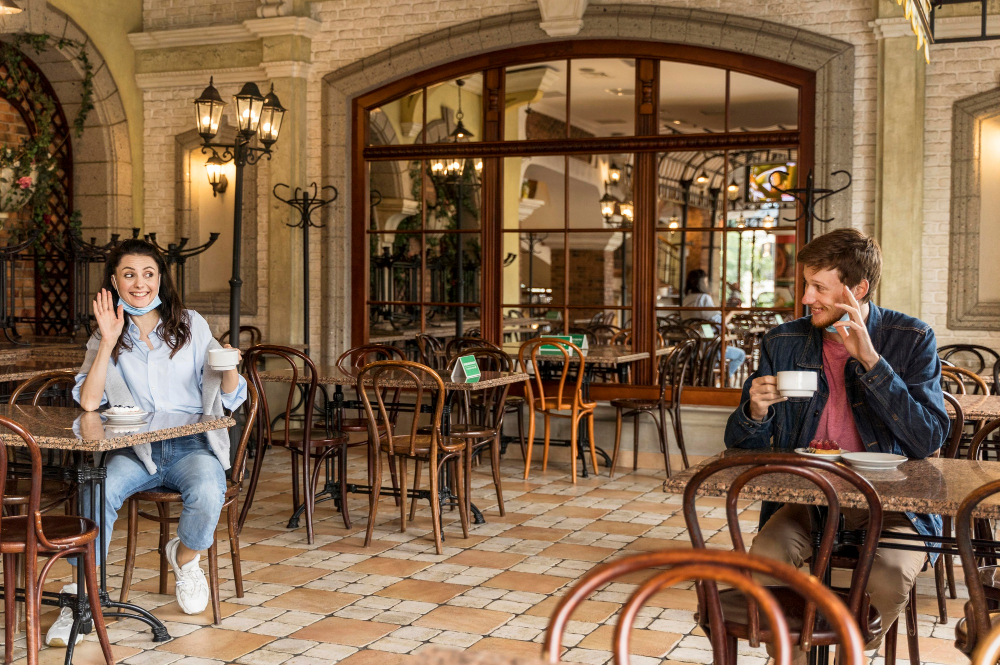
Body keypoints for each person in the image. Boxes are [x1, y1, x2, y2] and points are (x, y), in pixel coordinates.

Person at [724, 228, 949, 655]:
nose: (806, 298)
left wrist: (871, 362)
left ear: (858, 289)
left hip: (894, 505)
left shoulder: (912, 338)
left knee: (888, 573)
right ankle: (793, 656)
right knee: (766, 556)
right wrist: (754, 411)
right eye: (805, 285)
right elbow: (738, 446)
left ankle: (851, 655)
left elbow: (927, 440)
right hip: (808, 499)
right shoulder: (783, 341)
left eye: (818, 287)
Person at [46, 239, 248, 647]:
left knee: (210, 490)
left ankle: (185, 558)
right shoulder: (105, 335)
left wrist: (229, 367)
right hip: (135, 450)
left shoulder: (190, 323)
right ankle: (81, 597)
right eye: (129, 274)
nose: (140, 283)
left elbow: (230, 396)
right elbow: (88, 402)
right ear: (114, 282)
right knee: (95, 492)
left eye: (148, 273)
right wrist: (107, 339)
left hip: (191, 446)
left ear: (161, 279)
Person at [682, 268, 746, 383]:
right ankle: (722, 380)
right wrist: (732, 312)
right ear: (702, 282)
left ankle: (707, 378)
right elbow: (720, 323)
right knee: (741, 354)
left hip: (690, 348)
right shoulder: (704, 298)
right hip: (708, 348)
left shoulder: (686, 299)